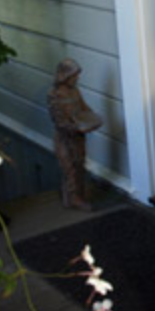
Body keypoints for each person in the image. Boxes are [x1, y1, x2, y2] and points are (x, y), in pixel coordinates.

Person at [48, 58, 102, 211]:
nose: (77, 78)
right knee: (69, 167)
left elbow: (84, 108)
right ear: (65, 76)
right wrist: (76, 127)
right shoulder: (54, 95)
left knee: (79, 165)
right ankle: (73, 198)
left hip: (78, 137)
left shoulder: (75, 91)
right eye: (74, 75)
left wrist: (93, 118)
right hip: (65, 138)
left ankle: (77, 197)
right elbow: (59, 121)